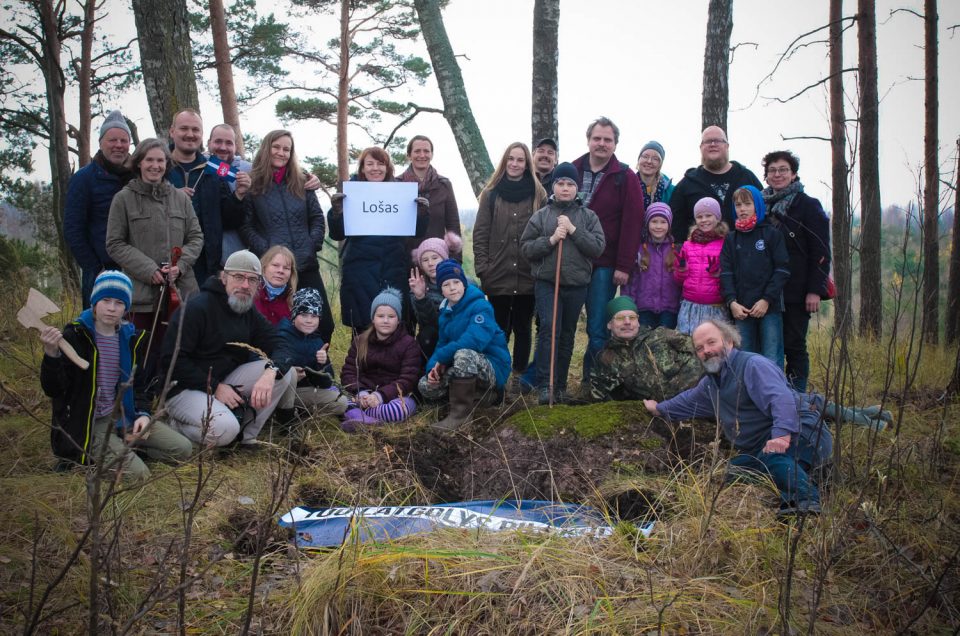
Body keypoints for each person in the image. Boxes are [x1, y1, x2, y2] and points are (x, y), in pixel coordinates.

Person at [644, 320, 832, 517]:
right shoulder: (711, 383)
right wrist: (658, 408)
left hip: (802, 433)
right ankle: (814, 474)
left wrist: (782, 435)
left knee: (773, 457)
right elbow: (687, 401)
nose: (706, 351)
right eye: (699, 348)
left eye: (711, 342)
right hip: (760, 448)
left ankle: (807, 500)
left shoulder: (753, 365)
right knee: (731, 474)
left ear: (729, 342)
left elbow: (781, 399)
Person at [39, 271, 192, 479]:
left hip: (124, 415)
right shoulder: (75, 336)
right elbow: (54, 388)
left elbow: (138, 387)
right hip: (92, 422)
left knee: (183, 449)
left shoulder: (130, 338)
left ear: (126, 307)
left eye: (119, 302)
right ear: (94, 302)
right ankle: (96, 454)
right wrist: (51, 354)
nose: (112, 308)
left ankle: (124, 447)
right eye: (106, 300)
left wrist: (143, 415)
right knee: (139, 476)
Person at [160, 250, 296, 448]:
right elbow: (171, 361)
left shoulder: (247, 311)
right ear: (224, 277)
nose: (245, 285)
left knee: (286, 372)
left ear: (259, 284)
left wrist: (270, 372)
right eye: (238, 277)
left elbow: (281, 344)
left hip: (223, 382)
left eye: (252, 280)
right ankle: (173, 426)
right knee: (225, 429)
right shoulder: (197, 308)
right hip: (183, 389)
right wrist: (215, 388)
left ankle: (245, 437)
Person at [105, 138, 204, 357]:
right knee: (141, 357)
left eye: (160, 161)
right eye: (149, 160)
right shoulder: (123, 199)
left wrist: (181, 265)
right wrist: (148, 270)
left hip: (181, 293)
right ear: (138, 162)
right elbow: (114, 243)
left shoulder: (181, 198)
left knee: (180, 355)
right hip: (140, 299)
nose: (155, 165)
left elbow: (196, 237)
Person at [520, 162, 606, 404]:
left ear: (577, 188)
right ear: (553, 187)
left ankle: (560, 386)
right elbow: (526, 248)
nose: (565, 188)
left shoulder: (589, 217)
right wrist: (550, 240)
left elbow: (597, 248)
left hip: (577, 284)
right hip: (548, 283)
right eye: (560, 183)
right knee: (549, 330)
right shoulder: (542, 216)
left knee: (567, 334)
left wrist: (573, 230)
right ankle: (545, 385)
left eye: (570, 184)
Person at [239, 130, 335, 344]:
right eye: (277, 147)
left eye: (286, 149)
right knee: (281, 324)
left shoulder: (303, 181)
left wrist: (311, 245)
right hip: (274, 270)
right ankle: (286, 372)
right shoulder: (253, 184)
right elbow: (245, 226)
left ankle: (315, 372)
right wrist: (266, 251)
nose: (281, 153)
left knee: (323, 323)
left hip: (305, 264)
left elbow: (317, 218)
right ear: (266, 149)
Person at [571, 117, 645, 381]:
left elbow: (632, 223)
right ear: (588, 140)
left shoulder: (625, 177)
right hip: (570, 261)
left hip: (604, 264)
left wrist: (623, 265)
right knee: (561, 324)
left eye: (608, 140)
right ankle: (551, 381)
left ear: (615, 144)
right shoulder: (572, 170)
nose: (602, 144)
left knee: (597, 327)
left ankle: (594, 381)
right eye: (597, 138)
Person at [328, 146, 429, 331]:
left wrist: (421, 213)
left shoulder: (399, 193)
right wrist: (336, 212)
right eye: (370, 163)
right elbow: (337, 234)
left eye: (380, 164)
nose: (375, 168)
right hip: (360, 272)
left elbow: (416, 231)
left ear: (388, 167)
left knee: (395, 326)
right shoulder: (351, 194)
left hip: (394, 269)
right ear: (362, 168)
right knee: (363, 329)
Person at [474, 142, 548, 379]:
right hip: (497, 273)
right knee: (499, 329)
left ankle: (519, 375)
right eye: (511, 159)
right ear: (504, 161)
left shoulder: (538, 194)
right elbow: (481, 233)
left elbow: (545, 233)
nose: (515, 164)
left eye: (520, 160)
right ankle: (498, 374)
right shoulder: (490, 193)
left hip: (529, 273)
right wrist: (483, 269)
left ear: (527, 164)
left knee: (523, 327)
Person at [761, 151, 832, 392]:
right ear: (766, 175)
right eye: (773, 170)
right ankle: (773, 392)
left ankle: (797, 396)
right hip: (766, 290)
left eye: (783, 169)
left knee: (794, 345)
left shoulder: (807, 205)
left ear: (793, 174)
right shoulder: (761, 206)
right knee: (769, 346)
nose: (777, 174)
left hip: (797, 289)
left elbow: (821, 251)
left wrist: (814, 290)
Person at [419, 260, 511, 430]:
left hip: (492, 364)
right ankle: (482, 398)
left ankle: (461, 417)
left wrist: (443, 359)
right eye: (446, 284)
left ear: (464, 284)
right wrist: (433, 369)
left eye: (456, 282)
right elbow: (441, 345)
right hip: (465, 366)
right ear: (441, 289)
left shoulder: (481, 306)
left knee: (464, 353)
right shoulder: (445, 314)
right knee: (425, 385)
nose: (452, 287)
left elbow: (474, 341)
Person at [167, 109, 248, 286]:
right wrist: (170, 196)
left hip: (205, 267)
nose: (190, 134)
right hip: (166, 265)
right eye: (184, 129)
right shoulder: (159, 166)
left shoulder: (213, 169)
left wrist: (239, 195)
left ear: (202, 135)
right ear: (172, 131)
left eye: (195, 130)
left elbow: (228, 220)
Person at [64, 110, 133, 307]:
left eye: (123, 140)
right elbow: (73, 229)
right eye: (112, 140)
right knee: (100, 329)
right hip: (101, 271)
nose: (118, 145)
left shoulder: (136, 177)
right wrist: (95, 268)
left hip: (136, 270)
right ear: (101, 142)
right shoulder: (84, 179)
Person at [720, 186, 790, 367]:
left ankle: (774, 395)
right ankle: (746, 395)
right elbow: (725, 272)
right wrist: (732, 302)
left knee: (771, 357)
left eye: (747, 204)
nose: (742, 209)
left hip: (769, 307)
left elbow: (782, 270)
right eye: (738, 205)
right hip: (741, 309)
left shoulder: (771, 234)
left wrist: (766, 300)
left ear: (757, 205)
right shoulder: (731, 239)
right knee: (744, 357)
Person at [587, 296, 703, 402]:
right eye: (620, 318)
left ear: (638, 322)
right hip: (653, 415)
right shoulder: (606, 358)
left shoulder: (661, 335)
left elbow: (700, 349)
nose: (627, 322)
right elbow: (597, 397)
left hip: (693, 400)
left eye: (632, 317)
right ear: (609, 324)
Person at [340, 287, 421, 431]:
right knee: (336, 397)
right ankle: (366, 418)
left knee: (398, 410)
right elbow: (348, 372)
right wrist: (361, 393)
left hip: (394, 397)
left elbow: (408, 379)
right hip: (364, 395)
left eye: (391, 316)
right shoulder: (360, 341)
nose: (385, 320)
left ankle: (359, 416)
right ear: (373, 318)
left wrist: (380, 396)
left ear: (398, 319)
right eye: (380, 316)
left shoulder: (409, 344)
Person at [668, 126, 763, 238]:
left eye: (718, 140)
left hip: (746, 251)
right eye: (708, 141)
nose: (713, 144)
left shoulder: (746, 177)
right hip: (702, 254)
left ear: (727, 146)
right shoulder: (687, 184)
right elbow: (676, 226)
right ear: (701, 147)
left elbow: (763, 211)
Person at [274, 288, 350, 418]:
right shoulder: (282, 334)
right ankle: (284, 419)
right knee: (290, 374)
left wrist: (323, 363)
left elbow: (326, 383)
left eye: (314, 316)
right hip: (277, 391)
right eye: (304, 315)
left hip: (301, 393)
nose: (309, 321)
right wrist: (290, 375)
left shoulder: (317, 340)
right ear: (294, 315)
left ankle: (297, 413)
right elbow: (273, 365)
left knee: (341, 403)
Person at [674, 197, 731, 335]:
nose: (704, 220)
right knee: (688, 344)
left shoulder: (725, 243)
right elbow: (679, 280)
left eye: (708, 215)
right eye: (699, 217)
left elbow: (730, 276)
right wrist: (681, 270)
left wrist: (718, 273)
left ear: (717, 217)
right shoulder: (688, 245)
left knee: (714, 346)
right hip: (690, 306)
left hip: (715, 307)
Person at [399, 135, 463, 253]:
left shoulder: (444, 185)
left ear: (432, 155)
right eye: (417, 151)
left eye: (426, 151)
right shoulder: (397, 184)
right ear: (409, 155)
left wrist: (455, 262)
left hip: (437, 259)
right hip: (404, 259)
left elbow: (453, 225)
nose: (422, 155)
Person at [622, 202, 681, 329]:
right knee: (644, 344)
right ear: (647, 223)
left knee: (664, 344)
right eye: (654, 221)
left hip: (669, 309)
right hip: (643, 308)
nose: (658, 226)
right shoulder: (638, 250)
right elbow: (631, 282)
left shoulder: (677, 250)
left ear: (669, 225)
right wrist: (628, 305)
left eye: (663, 222)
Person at [408, 233, 462, 359]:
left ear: (445, 258)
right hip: (433, 341)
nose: (430, 263)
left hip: (460, 337)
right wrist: (421, 297)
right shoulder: (418, 288)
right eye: (425, 260)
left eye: (435, 257)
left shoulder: (463, 284)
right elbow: (426, 323)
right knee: (427, 334)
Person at [254, 245, 298, 326]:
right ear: (264, 267)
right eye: (275, 265)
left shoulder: (295, 302)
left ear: (291, 273)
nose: (280, 271)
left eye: (286, 268)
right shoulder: (251, 294)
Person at [635, 141, 675, 209]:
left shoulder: (671, 191)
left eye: (655, 159)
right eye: (645, 156)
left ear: (660, 164)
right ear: (638, 160)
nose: (649, 161)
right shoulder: (627, 185)